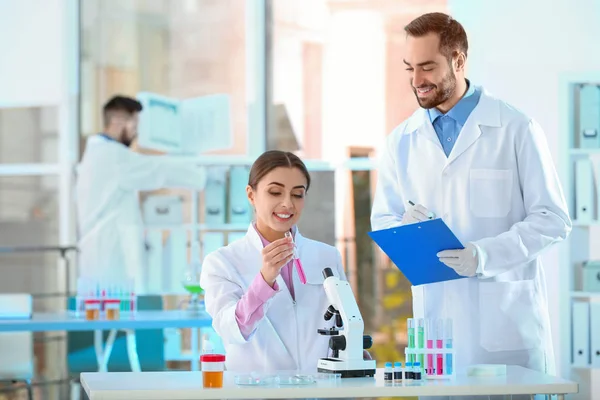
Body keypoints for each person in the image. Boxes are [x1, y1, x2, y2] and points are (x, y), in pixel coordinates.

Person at [370, 12, 571, 376]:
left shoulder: (515, 128)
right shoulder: (401, 141)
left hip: (506, 328)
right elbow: (383, 219)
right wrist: (404, 227)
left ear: (458, 61)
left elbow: (553, 219)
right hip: (435, 332)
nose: (416, 80)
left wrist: (484, 255)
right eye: (409, 68)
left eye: (427, 67)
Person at [200, 150, 349, 373]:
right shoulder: (222, 263)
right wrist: (264, 280)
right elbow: (231, 331)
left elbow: (345, 325)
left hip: (321, 390)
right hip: (258, 392)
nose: (287, 204)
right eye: (275, 192)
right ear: (251, 195)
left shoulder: (327, 256)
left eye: (297, 194)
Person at [76, 95, 206, 287]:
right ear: (118, 121)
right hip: (107, 252)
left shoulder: (99, 153)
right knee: (114, 307)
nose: (135, 133)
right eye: (134, 125)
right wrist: (201, 174)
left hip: (98, 251)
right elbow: (156, 171)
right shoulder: (112, 156)